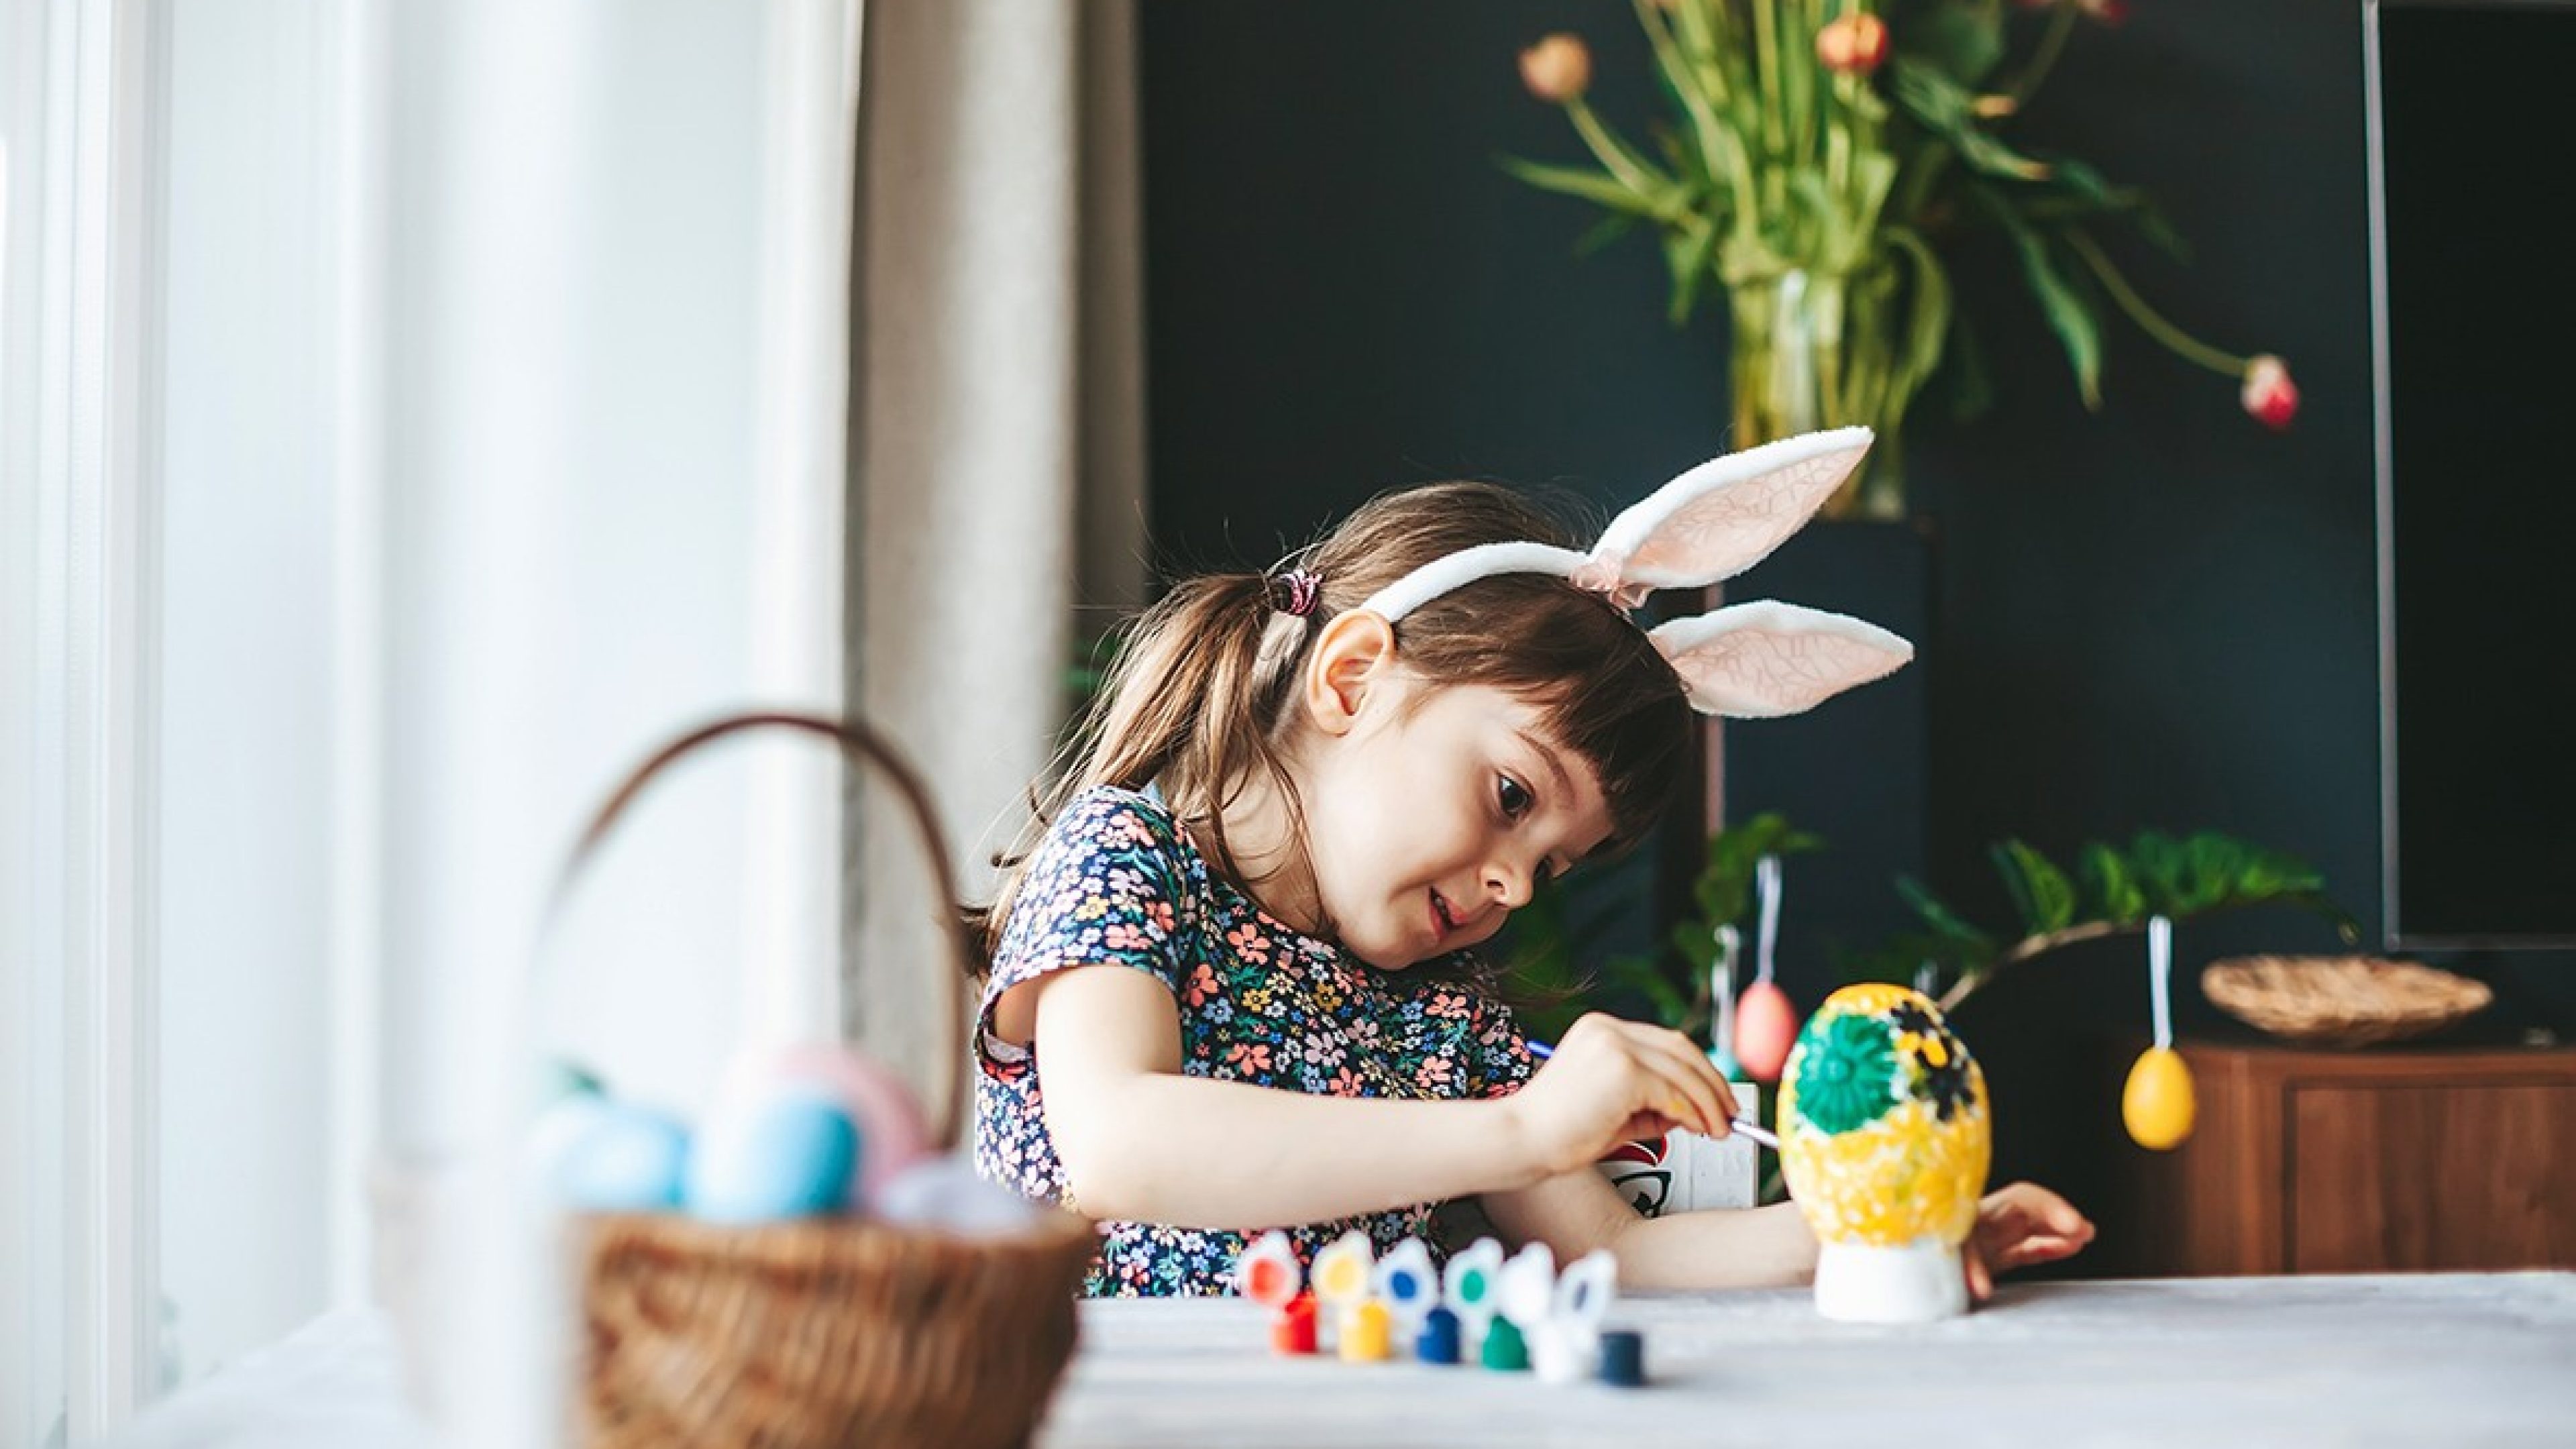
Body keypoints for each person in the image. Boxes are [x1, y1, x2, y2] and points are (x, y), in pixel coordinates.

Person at [969, 428, 2094, 1297]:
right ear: (1353, 679)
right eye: (1512, 797)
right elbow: (1119, 1144)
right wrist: (1521, 1127)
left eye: (1555, 869)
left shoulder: (1440, 1018)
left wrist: (1889, 1229)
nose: (1514, 887)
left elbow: (1615, 1253)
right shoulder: (1127, 860)